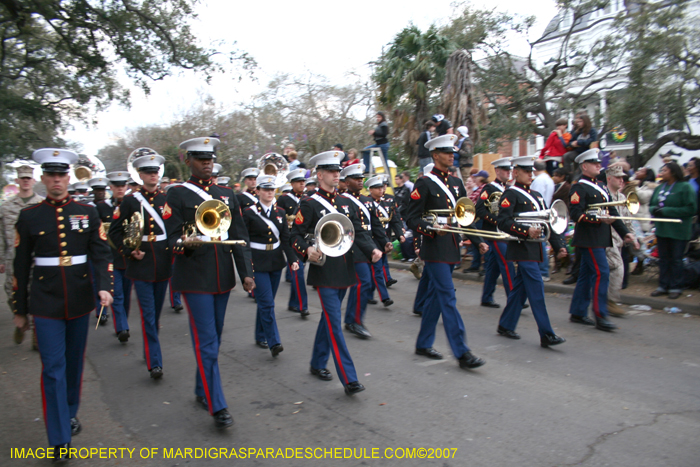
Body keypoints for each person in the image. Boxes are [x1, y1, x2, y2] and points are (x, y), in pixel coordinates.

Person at [13, 148, 113, 461]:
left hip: (80, 297)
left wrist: (106, 287)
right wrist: (20, 309)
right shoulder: (29, 216)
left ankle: (69, 411)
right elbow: (19, 265)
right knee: (53, 368)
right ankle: (59, 439)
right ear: (43, 179)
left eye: (61, 175)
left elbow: (101, 253)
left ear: (68, 178)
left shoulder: (87, 211)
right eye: (51, 175)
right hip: (45, 302)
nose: (56, 180)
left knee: (73, 365)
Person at [164, 136, 254, 428]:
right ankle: (218, 405)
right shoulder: (177, 194)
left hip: (221, 277)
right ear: (188, 161)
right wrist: (185, 243)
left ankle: (201, 388)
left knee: (213, 338)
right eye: (201, 158)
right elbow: (171, 238)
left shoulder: (226, 193)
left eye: (210, 158)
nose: (207, 163)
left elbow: (239, 235)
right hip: (193, 276)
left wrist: (246, 274)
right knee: (207, 341)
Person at [290, 150, 381, 395]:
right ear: (319, 175)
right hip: (324, 271)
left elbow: (358, 232)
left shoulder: (345, 202)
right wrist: (306, 249)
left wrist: (372, 249)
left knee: (328, 319)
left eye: (337, 171)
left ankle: (317, 363)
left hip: (345, 269)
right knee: (334, 322)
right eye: (331, 171)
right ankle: (349, 378)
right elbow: (294, 235)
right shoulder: (308, 204)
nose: (336, 175)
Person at [405, 134, 486, 370]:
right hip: (434, 246)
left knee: (435, 298)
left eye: (453, 151)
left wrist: (478, 240)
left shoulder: (456, 183)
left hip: (452, 246)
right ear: (435, 155)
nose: (452, 155)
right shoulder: (425, 183)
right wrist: (431, 228)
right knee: (448, 297)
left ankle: (423, 343)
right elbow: (411, 218)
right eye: (446, 151)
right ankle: (462, 352)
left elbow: (465, 217)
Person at [108, 150, 172, 379]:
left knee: (155, 314)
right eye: (148, 172)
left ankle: (149, 348)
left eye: (155, 171)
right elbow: (113, 233)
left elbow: (173, 229)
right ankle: (155, 361)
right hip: (142, 263)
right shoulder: (129, 201)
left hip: (163, 262)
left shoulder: (167, 199)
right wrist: (128, 250)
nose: (153, 175)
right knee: (147, 314)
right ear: (140, 175)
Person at [495, 156, 567, 347]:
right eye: (526, 171)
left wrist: (559, 246)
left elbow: (548, 223)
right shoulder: (510, 194)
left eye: (531, 171)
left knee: (521, 290)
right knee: (537, 290)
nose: (530, 175)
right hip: (521, 248)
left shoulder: (537, 196)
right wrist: (526, 230)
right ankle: (546, 333)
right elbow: (503, 222)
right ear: (516, 172)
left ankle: (505, 324)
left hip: (535, 249)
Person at [568, 149, 638, 332]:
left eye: (599, 163)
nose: (599, 165)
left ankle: (578, 311)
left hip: (599, 238)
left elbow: (612, 212)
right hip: (589, 239)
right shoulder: (579, 187)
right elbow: (576, 214)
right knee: (602, 273)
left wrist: (625, 233)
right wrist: (598, 219)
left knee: (586, 275)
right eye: (594, 163)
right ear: (584, 166)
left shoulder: (600, 186)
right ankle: (600, 315)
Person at [243, 174, 299, 357]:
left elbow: (285, 239)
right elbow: (244, 242)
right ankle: (274, 342)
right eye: (265, 189)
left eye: (271, 189)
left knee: (266, 302)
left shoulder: (280, 213)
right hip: (257, 264)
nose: (269, 192)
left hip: (275, 262)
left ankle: (260, 335)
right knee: (267, 303)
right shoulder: (249, 213)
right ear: (257, 191)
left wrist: (292, 260)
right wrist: (246, 268)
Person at [340, 164, 392, 339]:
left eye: (361, 178)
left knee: (361, 284)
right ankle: (355, 321)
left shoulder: (367, 201)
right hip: (353, 246)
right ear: (347, 181)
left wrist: (384, 242)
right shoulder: (342, 200)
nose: (360, 181)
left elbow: (375, 224)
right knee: (363, 282)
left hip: (368, 243)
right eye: (356, 179)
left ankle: (352, 319)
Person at [0, 165, 43, 346]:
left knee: (35, 292)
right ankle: (20, 318)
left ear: (33, 181)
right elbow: (1, 234)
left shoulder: (42, 204)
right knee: (11, 292)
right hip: (13, 257)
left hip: (35, 257)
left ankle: (35, 331)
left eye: (28, 178)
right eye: (22, 178)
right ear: (17, 181)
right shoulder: (6, 207)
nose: (25, 181)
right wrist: (1, 258)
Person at [649, 161, 697, 299]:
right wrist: (655, 210)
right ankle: (663, 285)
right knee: (663, 259)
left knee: (676, 259)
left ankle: (676, 286)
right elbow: (652, 205)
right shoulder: (659, 188)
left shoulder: (685, 187)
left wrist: (666, 210)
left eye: (664, 170)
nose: (661, 173)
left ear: (673, 172)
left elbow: (691, 208)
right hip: (662, 229)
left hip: (678, 231)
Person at [476, 158, 518, 308]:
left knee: (493, 266)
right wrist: (498, 221)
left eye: (509, 170)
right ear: (497, 170)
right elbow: (480, 210)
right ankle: (514, 297)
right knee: (507, 263)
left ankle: (487, 297)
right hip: (493, 232)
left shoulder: (509, 189)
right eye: (505, 170)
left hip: (504, 232)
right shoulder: (489, 189)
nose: (508, 172)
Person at [96, 171, 133, 342]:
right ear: (110, 187)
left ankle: (122, 320)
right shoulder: (102, 208)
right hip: (110, 258)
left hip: (128, 258)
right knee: (117, 295)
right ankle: (122, 328)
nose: (120, 189)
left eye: (122, 186)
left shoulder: (131, 205)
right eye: (116, 186)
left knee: (126, 296)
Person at [276, 168, 309, 317]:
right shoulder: (284, 199)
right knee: (298, 272)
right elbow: (278, 218)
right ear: (292, 183)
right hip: (290, 238)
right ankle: (303, 306)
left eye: (303, 181)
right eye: (299, 182)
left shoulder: (308, 198)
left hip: (304, 239)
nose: (302, 184)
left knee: (298, 273)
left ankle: (292, 303)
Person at [604, 165, 634, 316]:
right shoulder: (603, 195)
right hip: (607, 239)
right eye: (618, 177)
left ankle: (598, 298)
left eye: (623, 177)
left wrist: (631, 235)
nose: (622, 180)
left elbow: (627, 220)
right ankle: (611, 302)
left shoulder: (622, 198)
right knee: (617, 267)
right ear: (609, 178)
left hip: (619, 240)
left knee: (602, 271)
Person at [367, 175, 398, 303]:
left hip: (384, 238)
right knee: (377, 269)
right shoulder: (367, 203)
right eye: (377, 188)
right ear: (370, 190)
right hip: (372, 239)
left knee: (377, 269)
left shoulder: (387, 202)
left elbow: (394, 219)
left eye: (382, 187)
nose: (381, 190)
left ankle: (369, 295)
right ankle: (385, 298)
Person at [531, 160, 555, 281]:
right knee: (541, 242)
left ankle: (543, 271)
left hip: (538, 214)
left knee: (539, 242)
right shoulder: (548, 179)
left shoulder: (539, 180)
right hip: (545, 212)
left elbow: (536, 196)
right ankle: (543, 269)